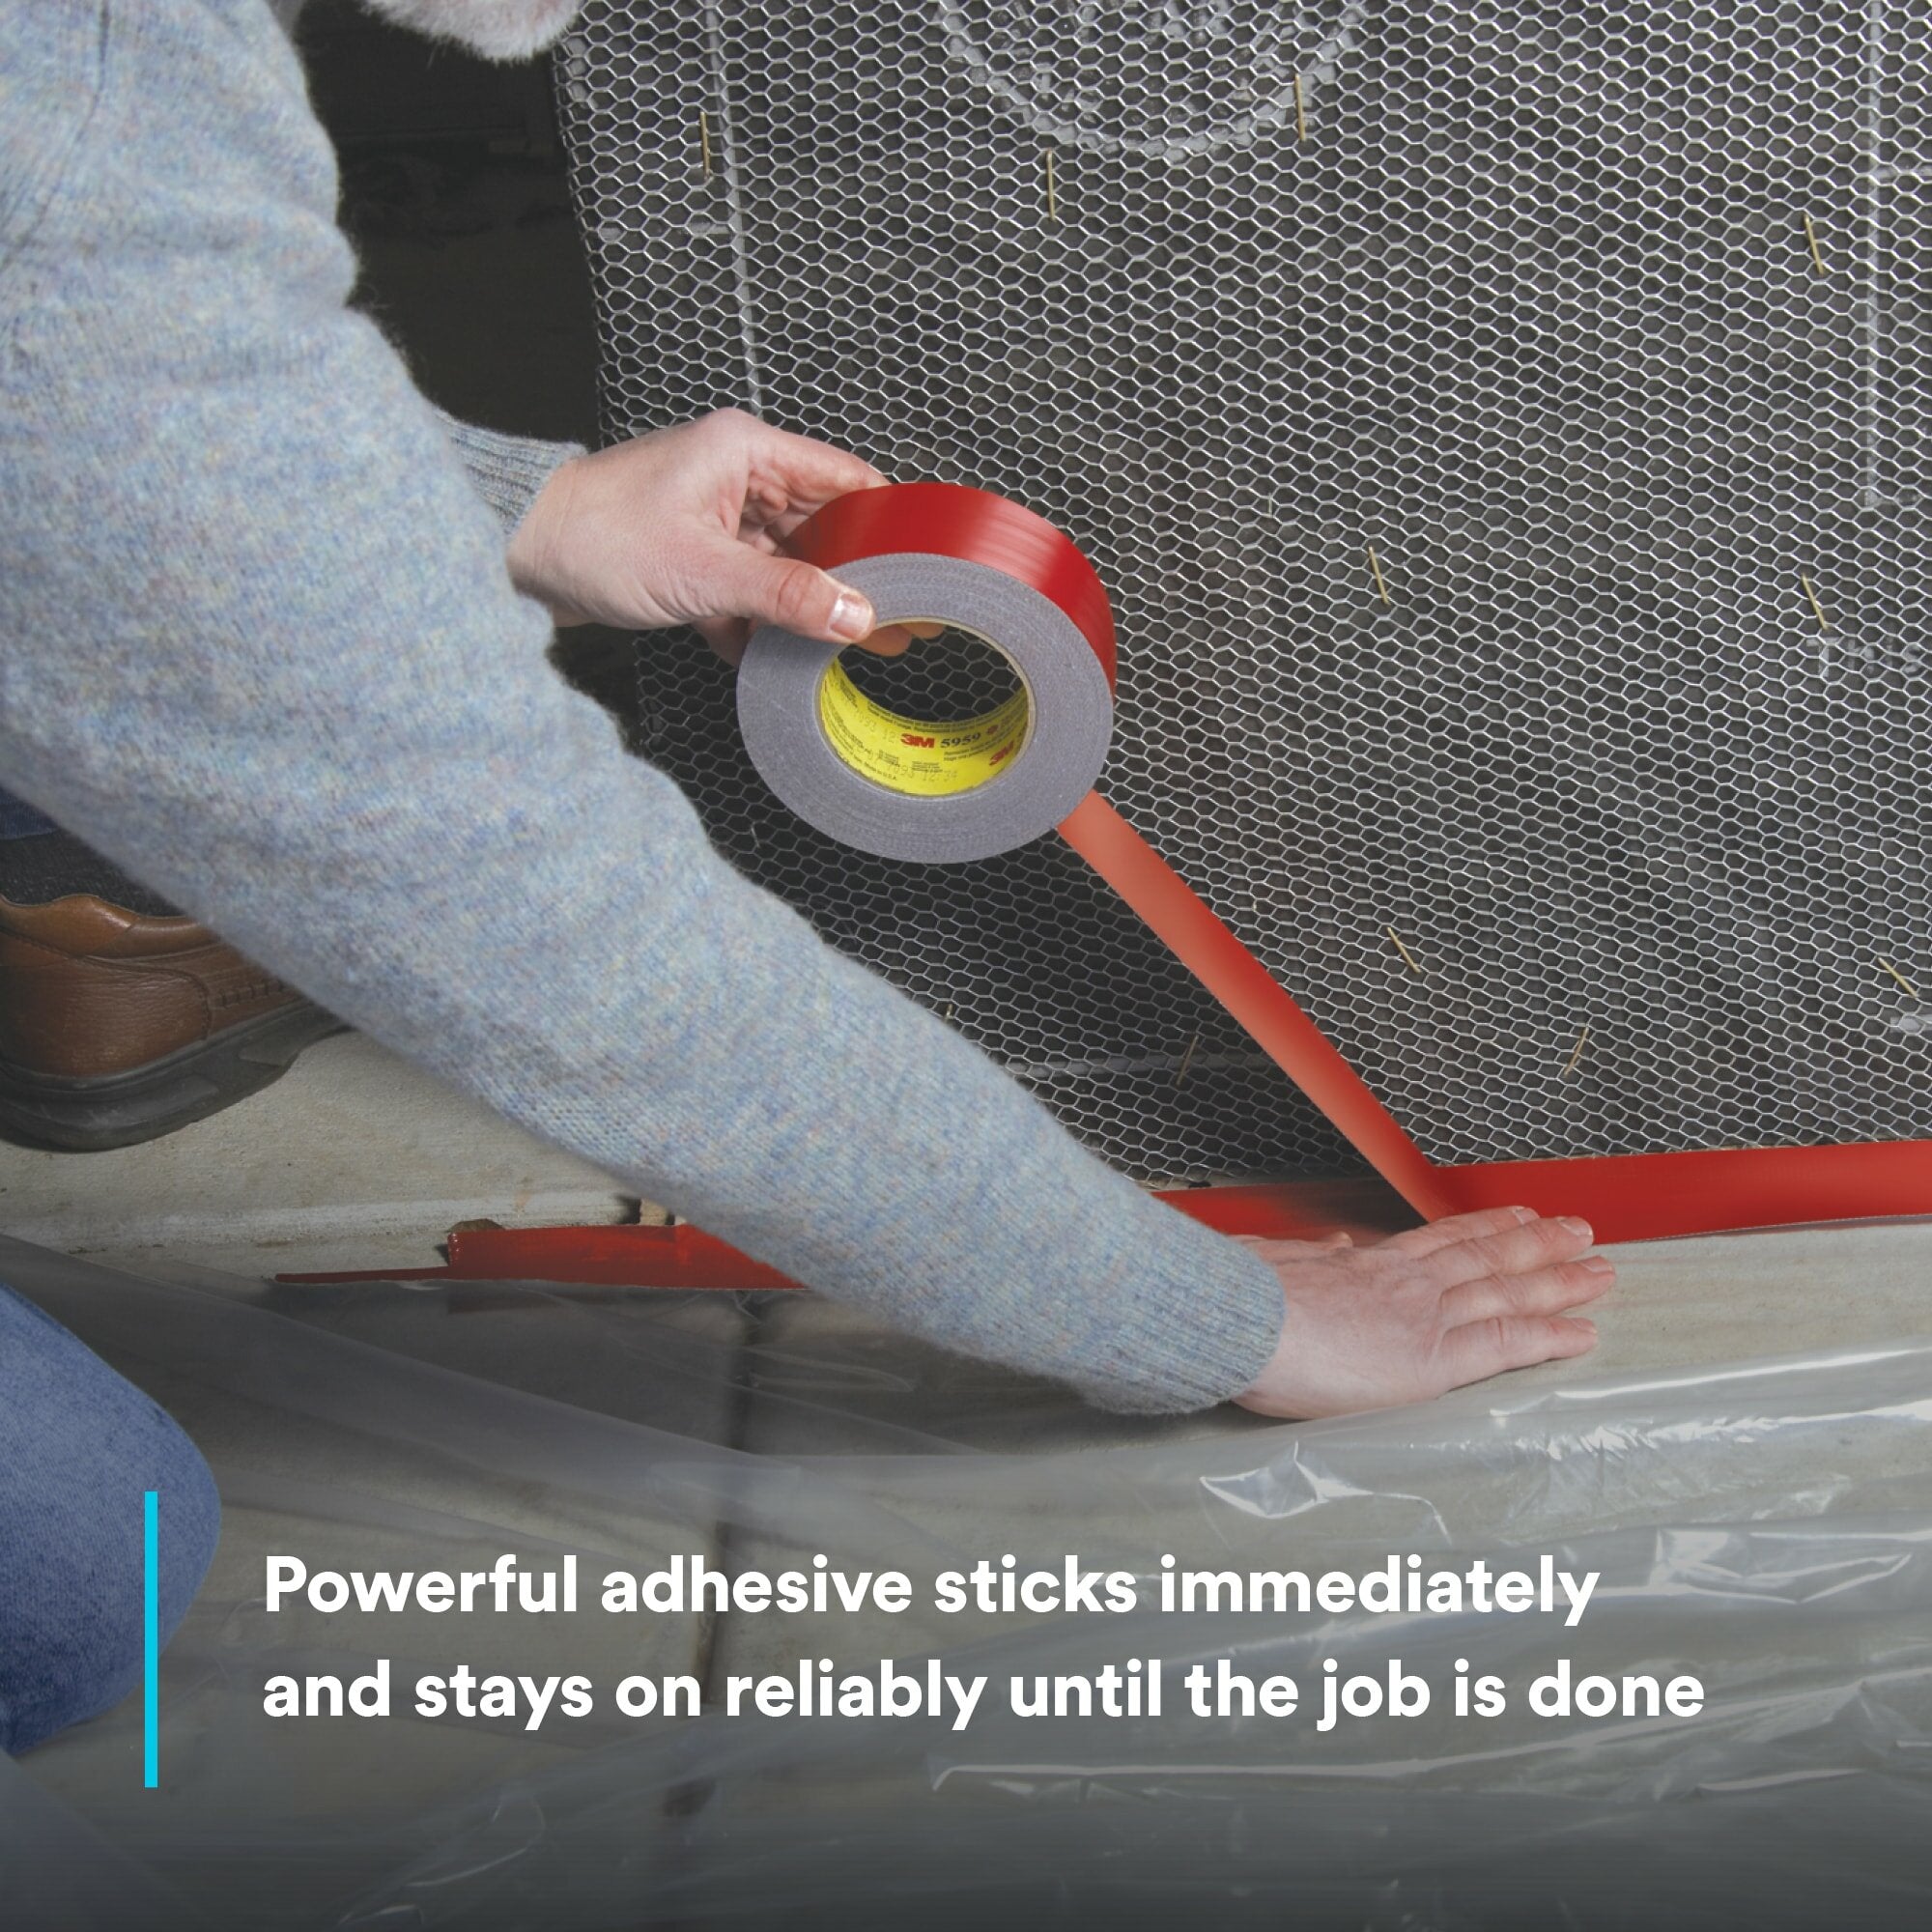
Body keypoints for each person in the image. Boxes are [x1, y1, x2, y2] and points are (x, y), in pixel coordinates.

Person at [0, 0, 1613, 1753]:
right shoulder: (92, 90)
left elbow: (86, 404)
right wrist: (1217, 1317)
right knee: (80, 1581)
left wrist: (526, 512)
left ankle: (82, 912)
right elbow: (542, 930)